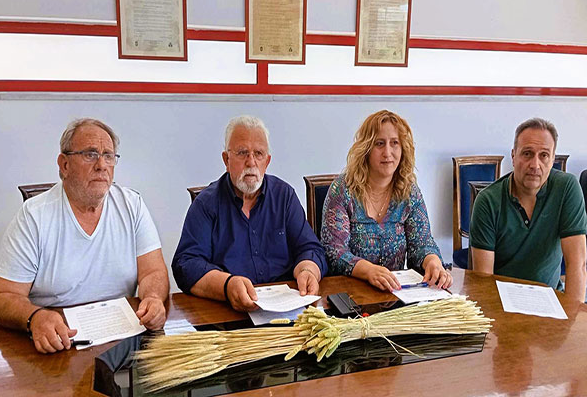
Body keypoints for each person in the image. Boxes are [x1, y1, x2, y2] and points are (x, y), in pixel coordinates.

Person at [0, 118, 169, 353]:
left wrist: (153, 298)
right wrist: (35, 316)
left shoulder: (131, 205)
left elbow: (153, 271)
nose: (102, 165)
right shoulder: (34, 216)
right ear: (64, 165)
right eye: (90, 154)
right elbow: (1, 298)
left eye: (108, 156)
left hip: (120, 339)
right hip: (57, 341)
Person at [172, 115, 327, 312]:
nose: (251, 162)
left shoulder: (284, 196)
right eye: (242, 153)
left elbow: (310, 248)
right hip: (229, 313)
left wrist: (308, 270)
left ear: (267, 161)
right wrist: (227, 285)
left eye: (258, 154)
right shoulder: (206, 203)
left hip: (288, 309)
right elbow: (186, 265)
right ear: (226, 160)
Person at [321, 110, 451, 291]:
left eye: (395, 143)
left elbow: (422, 243)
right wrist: (369, 271)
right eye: (379, 144)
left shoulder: (409, 192)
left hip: (396, 293)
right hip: (350, 293)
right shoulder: (343, 190)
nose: (387, 152)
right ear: (366, 149)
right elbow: (334, 252)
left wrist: (433, 262)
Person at [470, 118, 587, 302]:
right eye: (527, 154)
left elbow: (577, 265)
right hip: (502, 303)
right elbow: (484, 282)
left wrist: (572, 316)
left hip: (551, 300)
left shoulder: (566, 189)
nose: (535, 165)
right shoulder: (488, 201)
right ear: (513, 155)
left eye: (544, 155)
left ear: (553, 159)